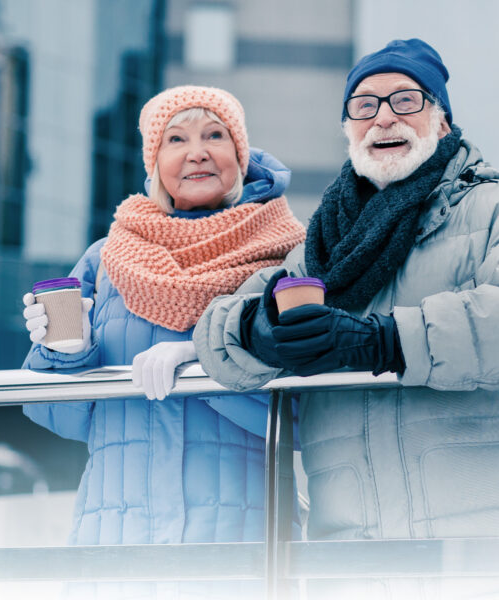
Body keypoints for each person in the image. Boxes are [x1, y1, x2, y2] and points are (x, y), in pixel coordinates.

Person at [195, 39, 499, 598]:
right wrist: (258, 332)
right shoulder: (320, 246)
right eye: (363, 105)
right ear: (348, 130)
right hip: (354, 559)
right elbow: (218, 329)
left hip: (494, 553)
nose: (382, 117)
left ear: (443, 121)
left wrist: (385, 341)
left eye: (405, 100)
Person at [20, 85, 305, 556]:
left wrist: (208, 360)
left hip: (242, 539)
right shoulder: (106, 259)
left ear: (239, 152)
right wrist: (65, 353)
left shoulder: (285, 258)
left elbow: (304, 408)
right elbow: (54, 412)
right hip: (115, 538)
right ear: (155, 162)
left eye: (214, 135)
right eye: (176, 140)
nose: (197, 153)